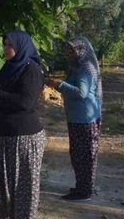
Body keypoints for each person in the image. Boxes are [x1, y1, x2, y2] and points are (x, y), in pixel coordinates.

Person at [0, 30, 46, 219]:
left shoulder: (31, 70)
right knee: (1, 188)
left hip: (24, 139)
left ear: (21, 46)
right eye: (4, 44)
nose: (6, 48)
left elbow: (25, 102)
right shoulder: (10, 67)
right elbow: (2, 97)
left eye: (10, 45)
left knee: (22, 188)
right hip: (4, 138)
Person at [46, 36, 102, 201]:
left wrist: (58, 84)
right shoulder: (77, 67)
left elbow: (81, 93)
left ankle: (85, 191)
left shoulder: (85, 68)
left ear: (81, 50)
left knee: (84, 155)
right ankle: (83, 186)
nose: (70, 53)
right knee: (78, 154)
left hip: (84, 119)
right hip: (78, 118)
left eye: (73, 49)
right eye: (69, 49)